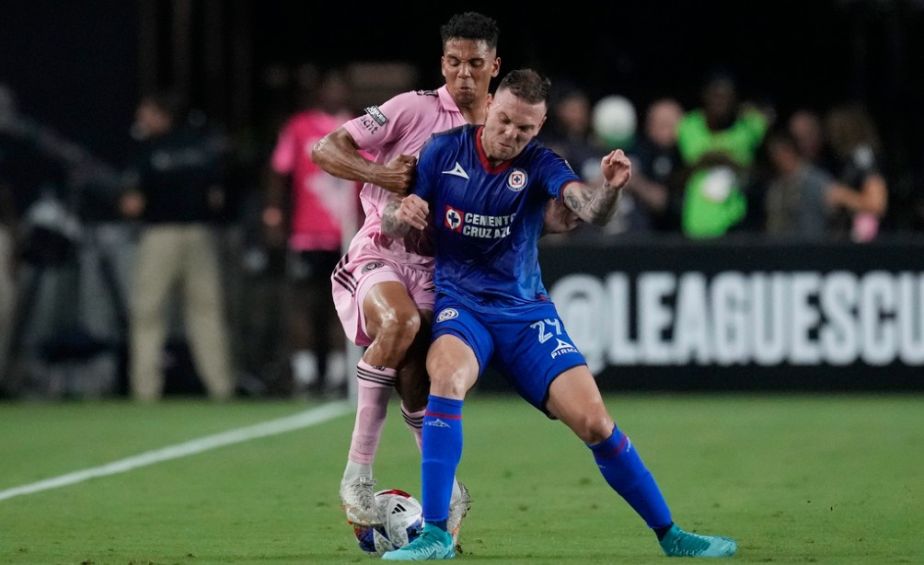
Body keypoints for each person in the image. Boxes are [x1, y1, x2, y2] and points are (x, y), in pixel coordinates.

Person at [381, 69, 737, 560]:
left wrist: (610, 189)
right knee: (445, 376)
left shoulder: (543, 163)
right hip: (462, 307)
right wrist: (403, 215)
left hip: (527, 316)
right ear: (489, 108)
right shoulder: (443, 151)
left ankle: (672, 536)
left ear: (540, 124)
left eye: (524, 129)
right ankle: (437, 534)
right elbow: (391, 215)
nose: (511, 135)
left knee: (596, 424)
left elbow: (589, 209)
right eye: (504, 121)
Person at [310, 11, 502, 537]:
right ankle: (357, 475)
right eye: (455, 62)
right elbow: (325, 147)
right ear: (443, 62)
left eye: (475, 64)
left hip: (443, 273)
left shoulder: (500, 131)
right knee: (398, 324)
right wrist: (378, 174)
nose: (464, 74)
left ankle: (449, 494)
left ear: (494, 67)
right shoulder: (411, 109)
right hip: (382, 252)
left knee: (420, 385)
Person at [121, 92, 234, 401]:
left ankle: (145, 391)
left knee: (148, 314)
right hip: (199, 235)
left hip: (160, 236)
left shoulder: (146, 149)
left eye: (146, 112)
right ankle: (221, 387)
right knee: (207, 312)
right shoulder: (201, 147)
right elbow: (217, 198)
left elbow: (132, 204)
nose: (141, 119)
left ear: (161, 114)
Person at [264, 70, 354, 394]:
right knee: (305, 302)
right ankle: (305, 374)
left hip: (348, 234)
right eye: (329, 87)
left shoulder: (360, 129)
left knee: (342, 304)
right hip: (308, 233)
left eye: (340, 88)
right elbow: (278, 171)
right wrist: (273, 215)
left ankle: (337, 374)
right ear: (319, 93)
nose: (335, 94)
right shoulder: (299, 128)